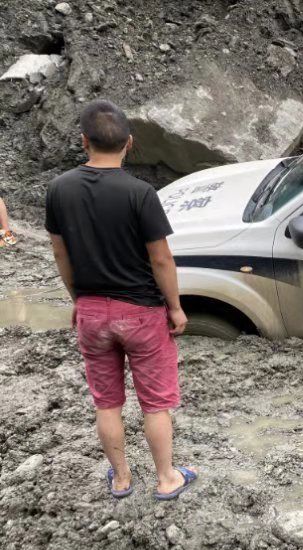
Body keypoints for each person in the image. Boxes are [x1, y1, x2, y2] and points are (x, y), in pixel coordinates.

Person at [45, 100, 197, 500]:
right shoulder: (141, 193)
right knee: (154, 404)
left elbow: (61, 254)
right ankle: (166, 479)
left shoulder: (58, 190)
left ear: (84, 141)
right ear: (129, 143)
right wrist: (176, 308)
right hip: (142, 313)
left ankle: (122, 478)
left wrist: (79, 298)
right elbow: (161, 258)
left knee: (107, 402)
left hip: (93, 312)